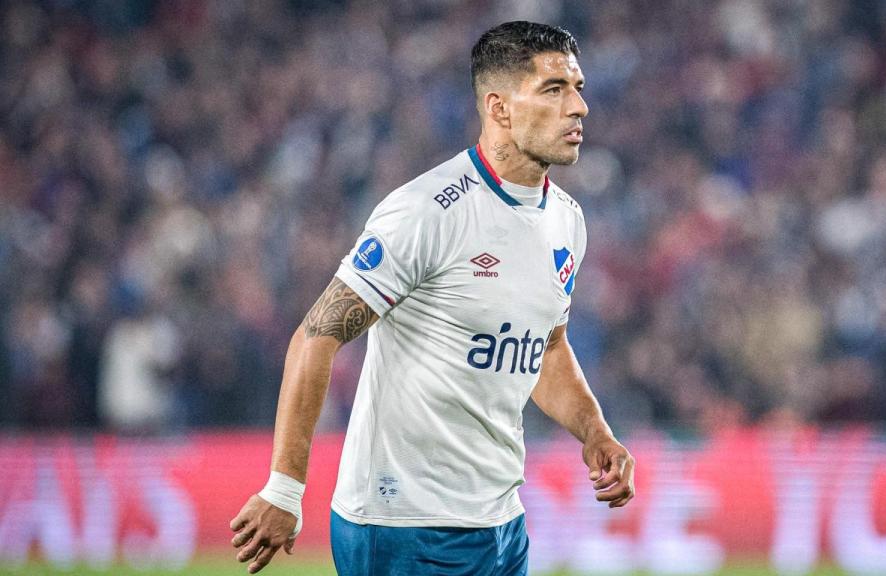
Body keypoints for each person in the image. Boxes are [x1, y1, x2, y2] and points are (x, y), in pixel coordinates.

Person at [229, 20, 635, 575]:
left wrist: (595, 432)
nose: (579, 107)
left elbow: (545, 347)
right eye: (553, 89)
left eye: (579, 88)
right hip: (404, 525)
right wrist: (283, 488)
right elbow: (316, 337)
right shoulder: (427, 211)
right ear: (498, 108)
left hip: (500, 521)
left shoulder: (567, 221)